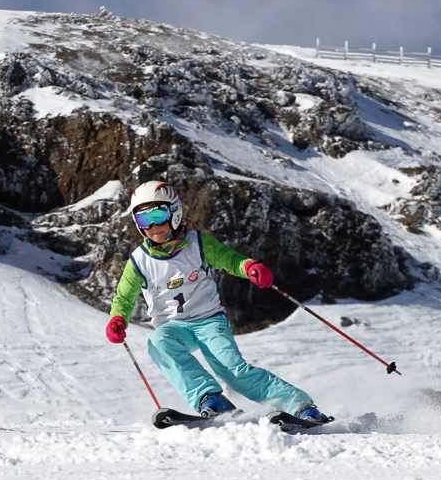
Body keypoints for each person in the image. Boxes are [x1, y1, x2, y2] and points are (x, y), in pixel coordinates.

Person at [105, 180, 330, 422]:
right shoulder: (139, 260)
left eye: (158, 215)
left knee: (233, 371)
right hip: (174, 327)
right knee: (159, 343)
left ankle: (301, 407)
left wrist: (250, 267)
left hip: (209, 321)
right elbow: (124, 297)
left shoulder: (197, 243)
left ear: (174, 212)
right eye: (143, 220)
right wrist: (118, 319)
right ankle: (211, 400)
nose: (153, 226)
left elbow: (230, 260)